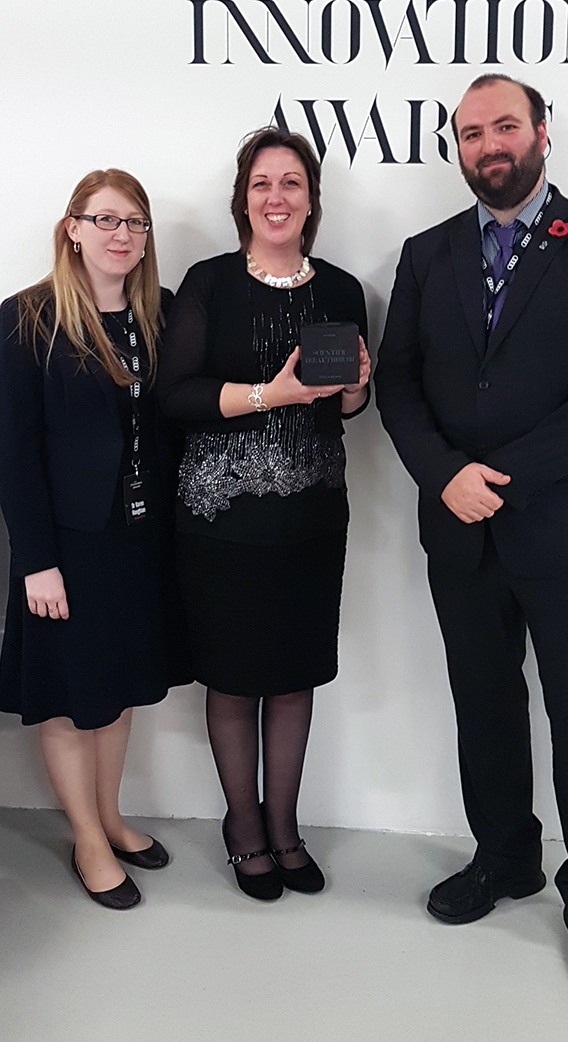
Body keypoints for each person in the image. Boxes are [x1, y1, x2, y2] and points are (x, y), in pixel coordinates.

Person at [375, 74, 568, 994]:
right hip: (460, 535)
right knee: (484, 709)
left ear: (540, 132)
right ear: (457, 150)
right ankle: (505, 858)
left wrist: (503, 475)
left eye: (503, 126)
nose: (488, 144)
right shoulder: (426, 253)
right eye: (469, 133)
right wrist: (442, 473)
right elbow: (400, 383)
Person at [158, 127, 370, 901]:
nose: (276, 197)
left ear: (311, 200)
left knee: (294, 678)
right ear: (243, 199)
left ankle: (284, 826)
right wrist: (265, 395)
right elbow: (174, 396)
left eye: (291, 183)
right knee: (237, 679)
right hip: (221, 521)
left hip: (314, 521)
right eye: (261, 184)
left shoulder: (342, 290)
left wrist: (353, 388)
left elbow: (346, 406)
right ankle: (242, 827)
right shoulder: (208, 282)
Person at [0, 170, 190, 909]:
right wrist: (37, 562)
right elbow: (13, 454)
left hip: (140, 540)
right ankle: (85, 835)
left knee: (117, 689)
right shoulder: (27, 321)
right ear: (72, 227)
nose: (122, 235)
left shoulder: (160, 315)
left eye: (135, 223)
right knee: (72, 696)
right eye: (105, 219)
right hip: (68, 547)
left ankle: (111, 814)